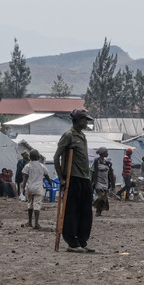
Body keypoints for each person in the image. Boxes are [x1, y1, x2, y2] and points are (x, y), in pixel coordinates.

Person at [55, 108, 96, 252]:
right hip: (72, 178)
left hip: (85, 178)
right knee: (71, 211)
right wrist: (61, 178)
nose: (86, 122)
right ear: (78, 121)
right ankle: (72, 242)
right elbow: (56, 157)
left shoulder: (82, 136)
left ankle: (82, 240)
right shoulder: (68, 136)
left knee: (86, 211)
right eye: (84, 120)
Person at [20, 151, 49, 229]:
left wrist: (23, 188)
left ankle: (29, 221)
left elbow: (25, 177)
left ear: (30, 157)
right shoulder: (42, 166)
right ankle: (36, 223)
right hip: (38, 188)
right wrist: (50, 182)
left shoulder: (27, 166)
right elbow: (46, 175)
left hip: (29, 187)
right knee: (37, 205)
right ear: (38, 157)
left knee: (30, 204)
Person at [92, 147, 115, 217]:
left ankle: (98, 212)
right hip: (98, 182)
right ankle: (93, 204)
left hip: (105, 182)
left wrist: (112, 183)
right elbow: (92, 171)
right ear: (102, 153)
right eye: (106, 152)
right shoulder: (96, 161)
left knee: (104, 198)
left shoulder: (107, 163)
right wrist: (92, 182)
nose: (107, 153)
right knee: (101, 196)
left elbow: (110, 173)